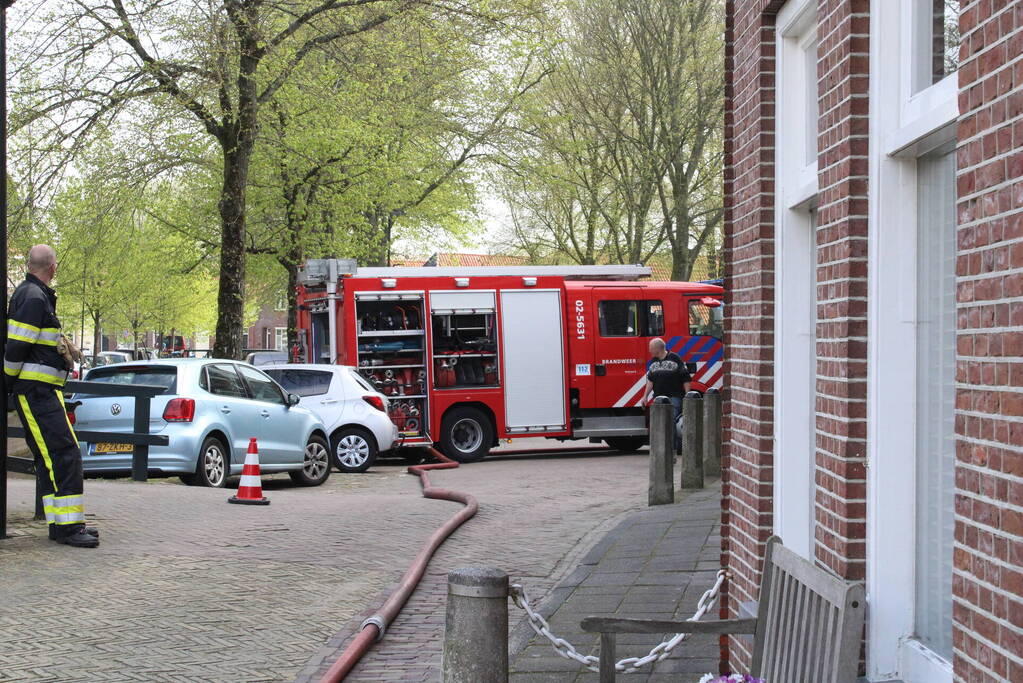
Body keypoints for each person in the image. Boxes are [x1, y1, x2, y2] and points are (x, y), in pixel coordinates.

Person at [5, 245, 98, 548]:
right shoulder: (33, 298)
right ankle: (69, 527)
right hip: (37, 392)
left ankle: (61, 526)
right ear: (52, 268)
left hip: (41, 392)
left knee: (53, 457)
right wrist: (8, 383)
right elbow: (16, 347)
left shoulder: (32, 296)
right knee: (65, 454)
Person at [645, 338, 692, 451]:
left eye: (651, 347)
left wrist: (688, 396)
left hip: (674, 397)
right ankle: (659, 448)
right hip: (658, 398)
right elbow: (650, 380)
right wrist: (645, 396)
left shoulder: (675, 358)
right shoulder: (653, 362)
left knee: (669, 421)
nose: (649, 350)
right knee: (657, 423)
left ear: (658, 348)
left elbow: (685, 378)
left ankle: (672, 449)